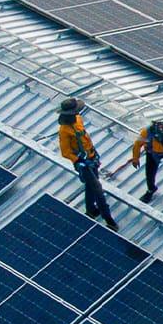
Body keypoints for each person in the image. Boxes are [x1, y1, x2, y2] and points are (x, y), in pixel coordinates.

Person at [57, 98, 116, 230]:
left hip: (92, 157)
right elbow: (65, 152)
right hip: (83, 163)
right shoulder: (64, 131)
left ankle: (90, 210)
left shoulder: (78, 119)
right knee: (98, 190)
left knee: (90, 186)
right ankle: (109, 219)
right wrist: (78, 161)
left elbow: (84, 138)